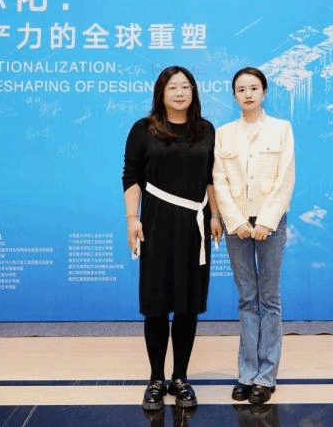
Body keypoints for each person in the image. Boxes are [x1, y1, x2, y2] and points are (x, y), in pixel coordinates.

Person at [122, 65, 222, 411]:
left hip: (195, 225)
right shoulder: (144, 129)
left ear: (194, 91)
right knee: (156, 304)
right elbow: (131, 176)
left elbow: (212, 177)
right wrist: (132, 219)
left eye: (185, 87)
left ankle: (180, 378)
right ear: (161, 94)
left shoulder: (206, 130)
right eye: (172, 88)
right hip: (156, 223)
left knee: (186, 305)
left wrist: (216, 215)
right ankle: (155, 379)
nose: (180, 93)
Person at [213, 67, 295, 405]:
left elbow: (285, 177)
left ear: (264, 92)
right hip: (237, 225)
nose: (247, 94)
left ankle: (266, 376)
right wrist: (236, 221)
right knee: (247, 297)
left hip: (269, 223)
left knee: (269, 298)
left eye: (253, 88)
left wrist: (266, 221)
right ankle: (246, 374)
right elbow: (219, 180)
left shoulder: (281, 128)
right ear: (234, 95)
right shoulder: (223, 134)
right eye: (241, 89)